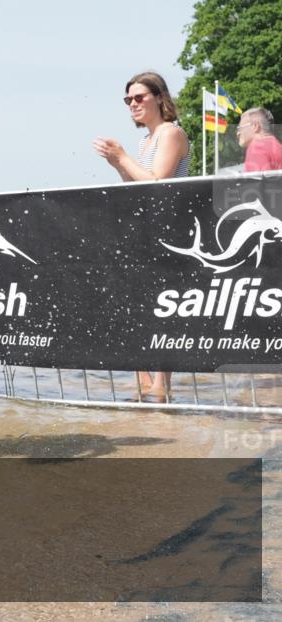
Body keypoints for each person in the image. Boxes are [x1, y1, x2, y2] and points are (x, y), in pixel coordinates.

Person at [93, 71, 191, 403]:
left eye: (139, 97)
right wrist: (118, 164)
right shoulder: (144, 141)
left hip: (168, 236)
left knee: (163, 310)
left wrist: (122, 158)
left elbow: (158, 184)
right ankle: (145, 386)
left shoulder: (171, 134)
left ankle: (160, 388)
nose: (132, 104)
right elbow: (136, 188)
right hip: (144, 233)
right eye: (128, 99)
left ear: (160, 98)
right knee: (138, 310)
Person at [238, 107, 282, 172]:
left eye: (240, 128)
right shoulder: (277, 145)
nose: (238, 133)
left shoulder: (257, 148)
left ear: (255, 126)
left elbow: (257, 181)